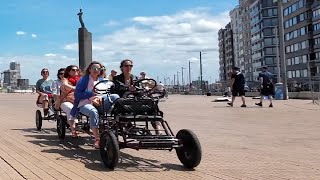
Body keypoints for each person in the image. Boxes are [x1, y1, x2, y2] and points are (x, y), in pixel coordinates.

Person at [70, 61, 120, 148]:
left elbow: (107, 92)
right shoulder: (83, 80)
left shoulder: (103, 80)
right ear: (89, 69)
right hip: (84, 103)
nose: (96, 70)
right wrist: (92, 96)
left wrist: (101, 96)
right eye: (94, 68)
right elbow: (77, 95)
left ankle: (116, 127)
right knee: (93, 112)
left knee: (115, 96)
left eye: (98, 69)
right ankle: (97, 139)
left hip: (100, 102)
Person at [114, 60, 161, 134]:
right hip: (124, 100)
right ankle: (127, 125)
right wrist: (127, 88)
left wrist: (139, 90)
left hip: (136, 99)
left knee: (152, 102)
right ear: (121, 68)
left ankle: (158, 128)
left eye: (130, 66)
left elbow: (140, 89)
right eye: (126, 66)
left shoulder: (135, 77)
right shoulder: (117, 78)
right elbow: (117, 87)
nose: (128, 67)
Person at [58, 65, 80, 137]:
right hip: (66, 101)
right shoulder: (65, 79)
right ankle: (73, 130)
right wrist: (74, 87)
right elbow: (65, 85)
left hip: (79, 100)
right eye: (73, 70)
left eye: (77, 70)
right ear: (69, 72)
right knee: (70, 109)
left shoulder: (81, 79)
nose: (75, 71)